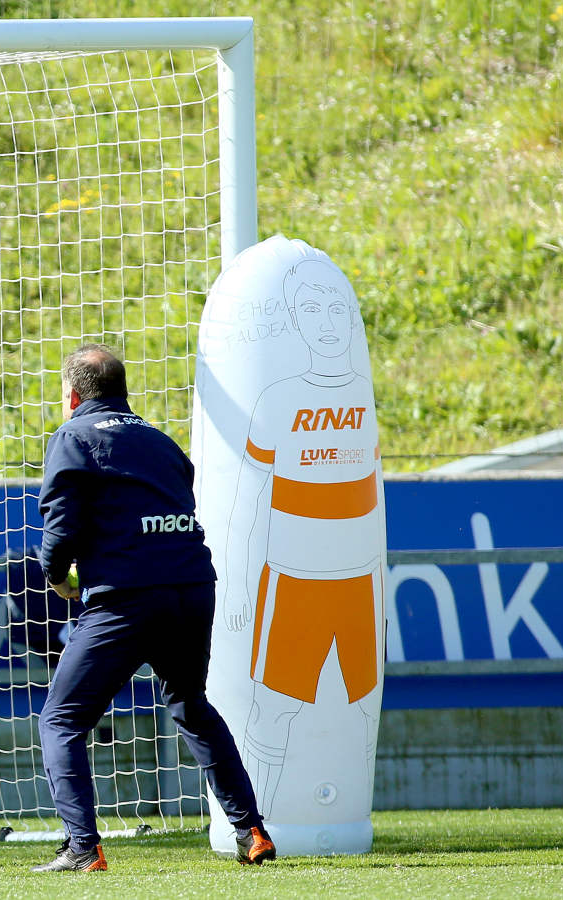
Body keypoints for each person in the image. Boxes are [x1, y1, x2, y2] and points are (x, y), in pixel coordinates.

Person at [32, 343, 274, 872]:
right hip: (192, 588)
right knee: (191, 704)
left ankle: (81, 847)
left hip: (127, 598)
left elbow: (62, 525)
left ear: (72, 395)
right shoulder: (160, 441)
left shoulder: (72, 436)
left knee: (61, 720)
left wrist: (57, 576)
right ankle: (251, 830)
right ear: (123, 392)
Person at [221, 258, 383, 817]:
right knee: (273, 712)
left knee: (362, 711)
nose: (328, 321)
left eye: (337, 308)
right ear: (296, 320)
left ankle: (346, 818)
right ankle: (257, 827)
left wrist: (381, 589)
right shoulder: (279, 398)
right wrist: (239, 588)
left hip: (359, 583)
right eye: (312, 310)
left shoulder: (362, 395)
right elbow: (247, 504)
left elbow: (373, 494)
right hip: (295, 584)